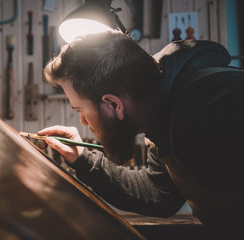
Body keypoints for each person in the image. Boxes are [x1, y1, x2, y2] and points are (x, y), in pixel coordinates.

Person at [38, 30, 244, 238]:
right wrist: (82, 158)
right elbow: (160, 195)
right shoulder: (160, 116)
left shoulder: (217, 107)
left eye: (80, 110)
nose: (83, 121)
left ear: (113, 104)